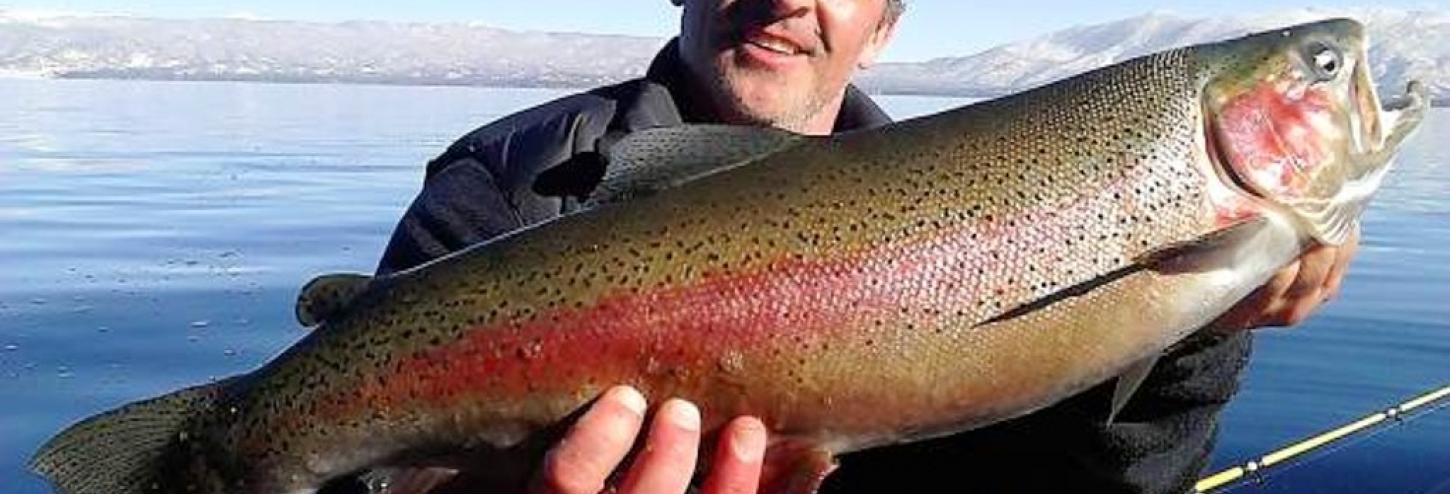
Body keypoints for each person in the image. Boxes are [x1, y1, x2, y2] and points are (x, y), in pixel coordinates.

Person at [363, 0, 1360, 492]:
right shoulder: (507, 185)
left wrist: (1197, 324)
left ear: (881, 28)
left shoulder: (1002, 204)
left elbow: (1098, 484)